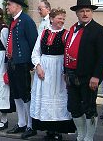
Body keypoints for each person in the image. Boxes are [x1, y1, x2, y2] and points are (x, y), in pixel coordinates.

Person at [64, 0, 103, 141]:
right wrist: (65, 71)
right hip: (72, 75)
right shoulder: (73, 29)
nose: (85, 13)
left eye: (88, 11)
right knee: (74, 108)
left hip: (89, 77)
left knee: (89, 108)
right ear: (77, 13)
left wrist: (96, 76)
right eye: (82, 11)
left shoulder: (99, 31)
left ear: (92, 12)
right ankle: (81, 135)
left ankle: (89, 137)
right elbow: (68, 50)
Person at [30, 8, 76, 140]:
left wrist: (66, 71)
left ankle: (58, 130)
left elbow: (69, 54)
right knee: (44, 97)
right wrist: (38, 67)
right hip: (44, 67)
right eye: (59, 18)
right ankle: (48, 129)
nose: (62, 21)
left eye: (63, 18)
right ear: (51, 19)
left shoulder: (66, 34)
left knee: (57, 98)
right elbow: (36, 52)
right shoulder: (43, 33)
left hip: (58, 69)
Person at [4, 0, 38, 139]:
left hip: (22, 63)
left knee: (25, 95)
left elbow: (34, 43)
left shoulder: (26, 21)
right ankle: (21, 122)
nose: (7, 6)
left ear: (17, 6)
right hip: (13, 62)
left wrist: (31, 64)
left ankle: (31, 126)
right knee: (16, 94)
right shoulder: (13, 21)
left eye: (9, 4)